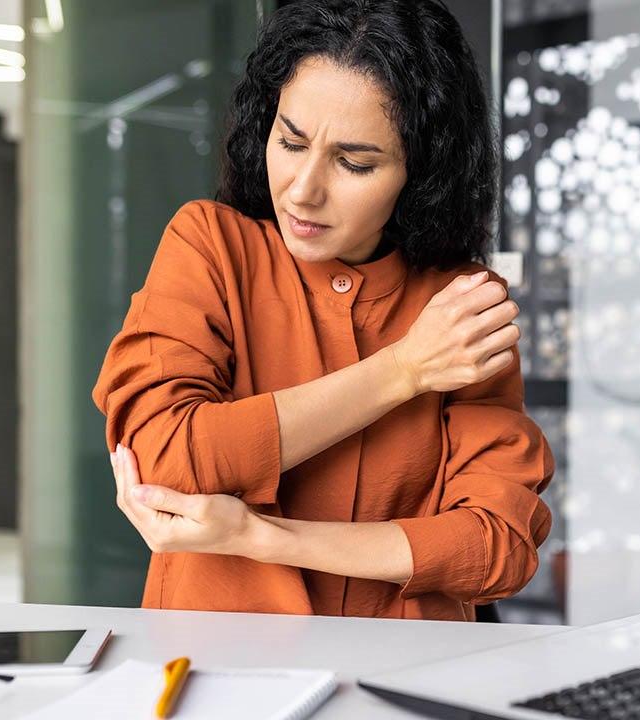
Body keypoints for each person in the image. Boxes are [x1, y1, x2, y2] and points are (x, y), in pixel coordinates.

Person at [92, 0, 554, 622]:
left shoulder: (460, 307)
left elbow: (498, 546)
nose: (303, 189)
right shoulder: (210, 244)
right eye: (291, 141)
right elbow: (164, 458)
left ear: (421, 174)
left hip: (401, 674)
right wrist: (403, 371)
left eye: (354, 162)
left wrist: (262, 538)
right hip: (218, 669)